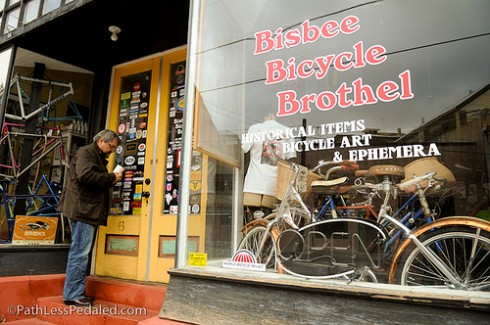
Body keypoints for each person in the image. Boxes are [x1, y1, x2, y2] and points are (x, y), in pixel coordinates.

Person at [59, 129, 123, 307]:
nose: (111, 151)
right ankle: (72, 294)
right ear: (101, 141)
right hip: (83, 211)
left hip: (86, 210)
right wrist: (111, 177)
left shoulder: (93, 155)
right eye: (111, 147)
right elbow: (85, 176)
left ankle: (75, 292)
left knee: (80, 253)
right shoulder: (87, 152)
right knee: (79, 253)